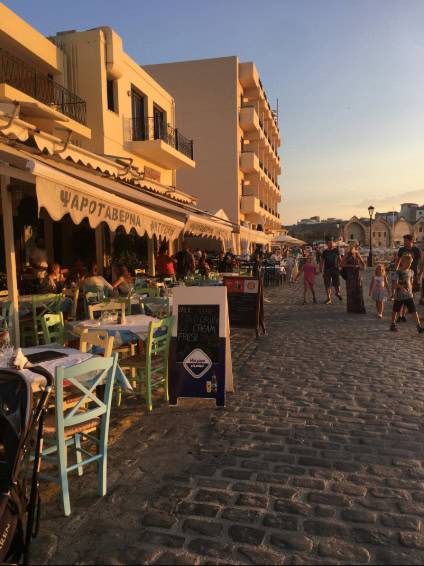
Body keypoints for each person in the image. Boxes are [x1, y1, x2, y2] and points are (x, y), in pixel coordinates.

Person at [390, 253, 424, 333]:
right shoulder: (398, 272)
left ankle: (419, 327)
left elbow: (410, 282)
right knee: (395, 310)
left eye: (410, 263)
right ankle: (392, 324)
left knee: (414, 311)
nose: (409, 264)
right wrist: (401, 288)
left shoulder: (411, 271)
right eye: (408, 263)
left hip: (408, 295)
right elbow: (395, 283)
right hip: (399, 295)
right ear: (402, 262)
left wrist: (411, 289)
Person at [342, 242, 366, 314]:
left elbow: (363, 263)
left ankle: (359, 308)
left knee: (358, 290)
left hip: (357, 274)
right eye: (351, 246)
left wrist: (362, 267)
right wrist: (351, 266)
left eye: (354, 246)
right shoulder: (347, 254)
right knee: (350, 291)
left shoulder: (357, 253)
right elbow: (342, 264)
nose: (352, 248)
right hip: (350, 275)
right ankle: (351, 309)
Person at [320, 237, 342, 304]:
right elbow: (322, 261)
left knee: (337, 283)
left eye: (332, 243)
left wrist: (342, 266)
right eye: (330, 243)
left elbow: (340, 259)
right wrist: (321, 269)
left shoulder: (336, 250)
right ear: (327, 244)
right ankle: (329, 298)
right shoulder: (325, 252)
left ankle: (337, 293)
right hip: (327, 270)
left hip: (335, 269)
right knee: (327, 284)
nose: (331, 244)